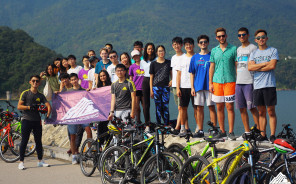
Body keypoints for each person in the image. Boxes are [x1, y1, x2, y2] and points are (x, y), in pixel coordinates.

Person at [248, 29, 279, 143]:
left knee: (271, 111)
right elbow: (250, 68)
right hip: (257, 86)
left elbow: (272, 66)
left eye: (263, 37)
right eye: (258, 38)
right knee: (261, 112)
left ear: (266, 38)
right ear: (255, 40)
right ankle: (263, 134)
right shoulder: (254, 53)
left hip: (269, 85)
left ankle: (272, 135)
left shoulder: (273, 50)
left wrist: (258, 66)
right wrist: (265, 63)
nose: (261, 39)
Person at [17, 75, 52, 170]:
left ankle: (40, 161)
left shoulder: (40, 95)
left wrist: (47, 115)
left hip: (37, 121)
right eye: (33, 81)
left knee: (38, 142)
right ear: (30, 82)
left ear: (39, 83)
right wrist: (29, 107)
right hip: (26, 120)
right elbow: (19, 106)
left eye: (37, 81)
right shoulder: (25, 93)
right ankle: (21, 162)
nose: (35, 82)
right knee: (24, 141)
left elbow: (48, 105)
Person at [209, 27, 237, 140]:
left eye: (223, 36)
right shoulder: (214, 50)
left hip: (230, 81)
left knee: (230, 107)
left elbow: (237, 65)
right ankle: (222, 130)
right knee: (219, 107)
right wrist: (210, 82)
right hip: (217, 81)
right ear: (216, 38)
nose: (221, 38)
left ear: (226, 36)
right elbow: (212, 67)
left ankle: (231, 131)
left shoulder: (233, 49)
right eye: (219, 36)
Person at [189, 35, 217, 138]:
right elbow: (192, 73)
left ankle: (214, 130)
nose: (203, 43)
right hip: (198, 86)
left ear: (208, 43)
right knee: (199, 108)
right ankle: (200, 130)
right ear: (198, 44)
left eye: (205, 42)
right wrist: (192, 87)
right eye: (201, 42)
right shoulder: (195, 57)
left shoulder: (212, 55)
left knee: (211, 107)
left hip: (210, 86)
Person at [235, 27, 259, 139]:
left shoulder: (253, 48)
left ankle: (259, 131)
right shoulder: (238, 49)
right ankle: (247, 132)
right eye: (239, 35)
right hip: (239, 82)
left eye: (243, 35)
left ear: (248, 35)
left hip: (249, 81)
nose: (241, 37)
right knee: (242, 108)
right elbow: (237, 64)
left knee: (252, 107)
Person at [67, 73, 92, 164]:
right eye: (72, 80)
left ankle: (89, 149)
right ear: (70, 81)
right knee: (73, 136)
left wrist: (89, 91)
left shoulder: (83, 90)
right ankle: (74, 156)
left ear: (78, 79)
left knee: (88, 130)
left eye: (75, 79)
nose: (74, 81)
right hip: (73, 116)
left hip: (83, 115)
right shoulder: (68, 92)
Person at [176, 37, 194, 137]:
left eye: (190, 44)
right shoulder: (181, 58)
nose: (188, 46)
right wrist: (178, 88)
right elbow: (178, 74)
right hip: (183, 86)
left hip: (194, 87)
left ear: (193, 45)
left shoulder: (195, 57)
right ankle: (183, 128)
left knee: (196, 108)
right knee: (183, 108)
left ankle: (198, 128)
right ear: (184, 46)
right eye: (186, 45)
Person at [150, 45, 172, 126]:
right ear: (156, 53)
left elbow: (171, 73)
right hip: (156, 88)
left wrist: (172, 80)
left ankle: (166, 125)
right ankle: (159, 125)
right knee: (158, 108)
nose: (161, 52)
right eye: (159, 51)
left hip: (166, 88)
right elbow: (151, 78)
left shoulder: (168, 62)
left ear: (165, 52)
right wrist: (151, 90)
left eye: (162, 50)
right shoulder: (153, 64)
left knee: (165, 107)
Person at [170, 37, 184, 135]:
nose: (176, 46)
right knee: (180, 107)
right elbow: (172, 71)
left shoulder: (184, 56)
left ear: (181, 45)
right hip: (174, 86)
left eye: (178, 44)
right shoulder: (173, 57)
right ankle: (183, 127)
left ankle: (178, 127)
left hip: (182, 85)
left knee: (181, 107)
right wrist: (171, 80)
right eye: (174, 44)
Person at [140, 43, 156, 127]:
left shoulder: (156, 59)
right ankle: (147, 124)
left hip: (155, 80)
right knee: (146, 104)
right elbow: (142, 72)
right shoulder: (142, 61)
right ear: (146, 50)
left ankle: (161, 123)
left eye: (152, 49)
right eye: (149, 49)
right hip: (146, 80)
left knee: (158, 102)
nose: (150, 50)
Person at [129, 50, 145, 123]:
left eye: (137, 55)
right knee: (136, 107)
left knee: (145, 107)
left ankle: (147, 122)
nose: (136, 57)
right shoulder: (132, 67)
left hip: (144, 88)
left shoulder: (145, 64)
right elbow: (131, 78)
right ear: (133, 58)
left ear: (140, 55)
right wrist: (131, 88)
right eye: (134, 57)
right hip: (136, 88)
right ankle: (138, 121)